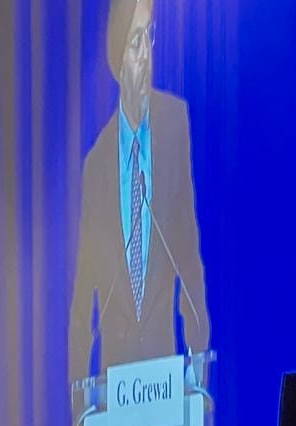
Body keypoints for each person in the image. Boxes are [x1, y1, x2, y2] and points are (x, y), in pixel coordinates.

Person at [69, 0, 210, 385]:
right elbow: (83, 298)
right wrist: (79, 398)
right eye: (135, 42)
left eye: (150, 36)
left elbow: (189, 258)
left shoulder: (174, 125)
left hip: (164, 380)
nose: (146, 53)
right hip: (116, 386)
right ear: (118, 59)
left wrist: (198, 360)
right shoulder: (96, 165)